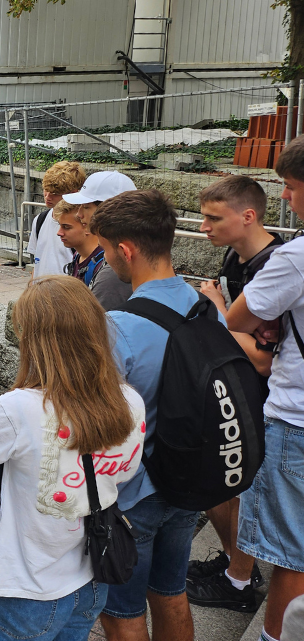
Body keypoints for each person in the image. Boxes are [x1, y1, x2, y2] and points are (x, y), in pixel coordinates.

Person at [0, 275, 146, 641]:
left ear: (34, 342)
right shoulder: (130, 401)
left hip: (19, 587)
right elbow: (123, 473)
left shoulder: (17, 409)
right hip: (89, 580)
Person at [88, 190, 209, 641]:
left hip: (135, 494)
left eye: (104, 248)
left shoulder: (119, 326)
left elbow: (98, 419)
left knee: (122, 612)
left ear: (126, 250)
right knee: (171, 592)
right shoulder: (203, 305)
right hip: (187, 478)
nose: (104, 258)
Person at [184, 175, 279, 612]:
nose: (203, 226)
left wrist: (219, 312)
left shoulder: (271, 267)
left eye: (212, 218)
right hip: (235, 389)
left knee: (236, 487)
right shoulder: (236, 257)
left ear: (248, 216)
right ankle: (232, 564)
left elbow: (263, 358)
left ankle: (239, 581)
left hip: (260, 398)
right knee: (219, 485)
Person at [226, 136, 304, 641]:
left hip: (297, 421)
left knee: (292, 553)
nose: (287, 199)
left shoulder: (296, 257)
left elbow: (238, 316)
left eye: (293, 188)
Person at [55, 199, 132, 311]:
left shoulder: (107, 266)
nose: (59, 232)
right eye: (59, 225)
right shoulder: (78, 255)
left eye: (67, 227)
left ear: (87, 227)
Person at [28, 161, 85, 279]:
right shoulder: (39, 220)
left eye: (55, 193)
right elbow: (38, 265)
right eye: (45, 190)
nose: (47, 197)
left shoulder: (83, 225)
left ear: (73, 193)